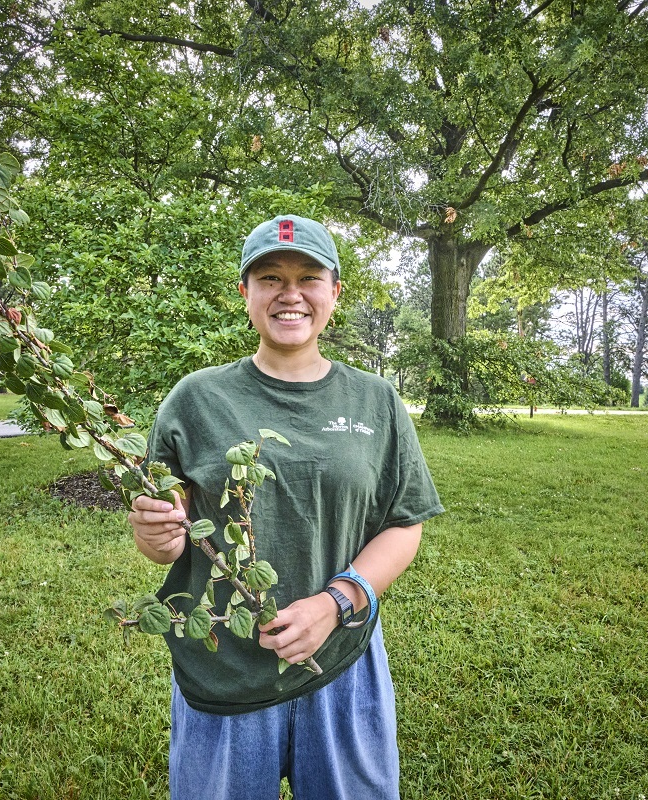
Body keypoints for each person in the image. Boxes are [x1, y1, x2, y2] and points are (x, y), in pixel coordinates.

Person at [128, 214, 443, 800]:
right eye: (270, 277)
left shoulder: (375, 400)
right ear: (245, 292)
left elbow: (404, 523)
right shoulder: (195, 399)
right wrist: (155, 535)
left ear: (334, 293)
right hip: (225, 668)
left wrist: (335, 603)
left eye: (308, 278)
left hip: (342, 659)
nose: (289, 293)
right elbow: (169, 530)